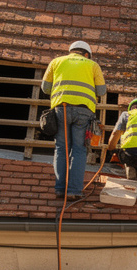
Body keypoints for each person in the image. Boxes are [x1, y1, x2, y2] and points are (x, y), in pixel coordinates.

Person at [42, 40, 105, 198]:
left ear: (71, 51)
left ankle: (59, 189)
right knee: (79, 150)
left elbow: (45, 88)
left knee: (61, 148)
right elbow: (102, 90)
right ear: (86, 54)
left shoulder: (56, 62)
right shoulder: (92, 64)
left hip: (61, 109)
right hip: (84, 112)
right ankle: (73, 191)